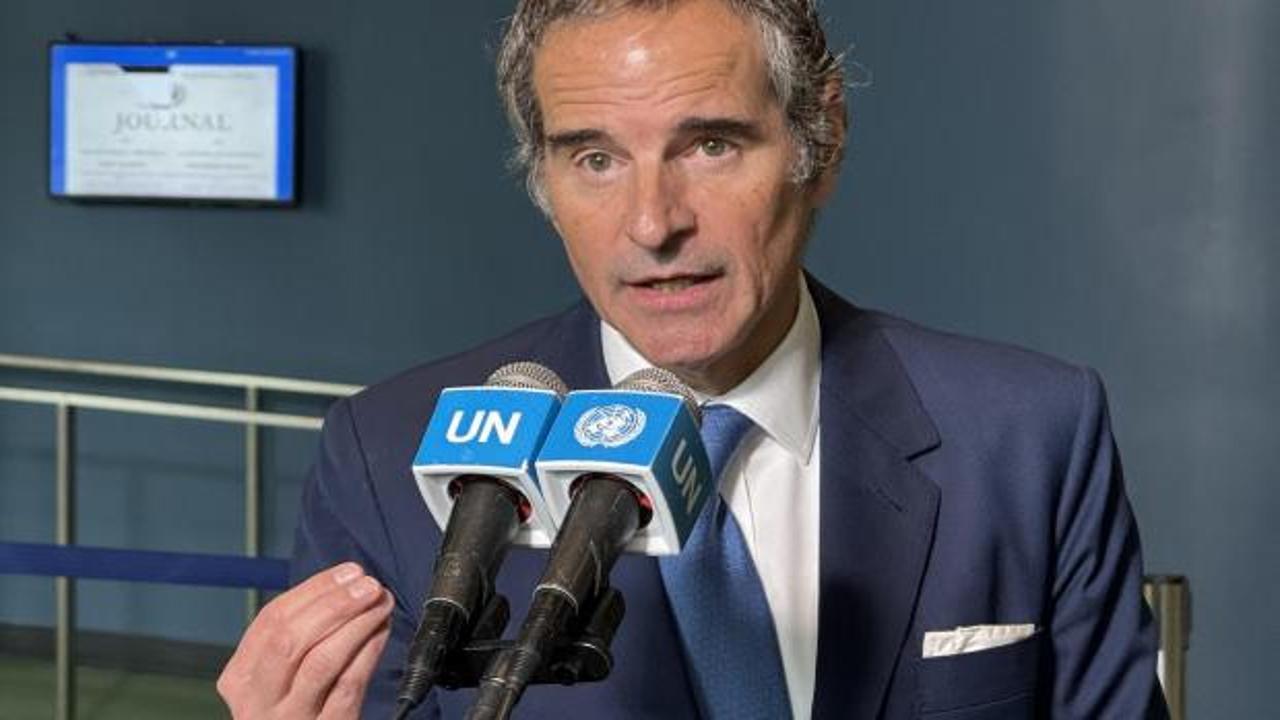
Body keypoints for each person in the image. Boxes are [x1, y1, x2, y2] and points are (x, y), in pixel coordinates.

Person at [218, 0, 1168, 717]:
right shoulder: (387, 457)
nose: (652, 223)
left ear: (821, 139)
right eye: (595, 159)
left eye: (710, 145)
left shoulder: (1027, 433)